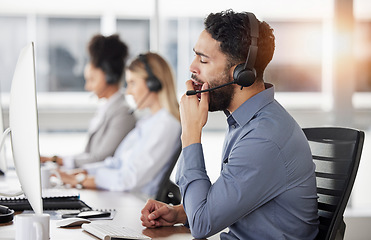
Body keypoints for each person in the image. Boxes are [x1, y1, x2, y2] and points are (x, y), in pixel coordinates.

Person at [140, 10, 319, 239]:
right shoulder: (247, 122)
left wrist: (190, 133)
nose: (192, 67)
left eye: (203, 60)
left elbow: (202, 225)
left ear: (240, 74)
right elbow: (231, 199)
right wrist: (179, 213)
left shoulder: (263, 137)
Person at [58, 52, 181, 197]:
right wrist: (84, 172)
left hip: (136, 203)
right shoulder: (148, 121)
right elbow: (116, 163)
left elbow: (130, 180)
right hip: (122, 196)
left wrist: (83, 180)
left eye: (132, 83)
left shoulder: (167, 125)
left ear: (153, 84)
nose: (128, 91)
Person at [41, 34, 136, 169]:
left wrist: (55, 160)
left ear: (109, 75)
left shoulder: (123, 113)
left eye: (92, 80)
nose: (87, 87)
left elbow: (100, 158)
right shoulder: (107, 108)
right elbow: (88, 154)